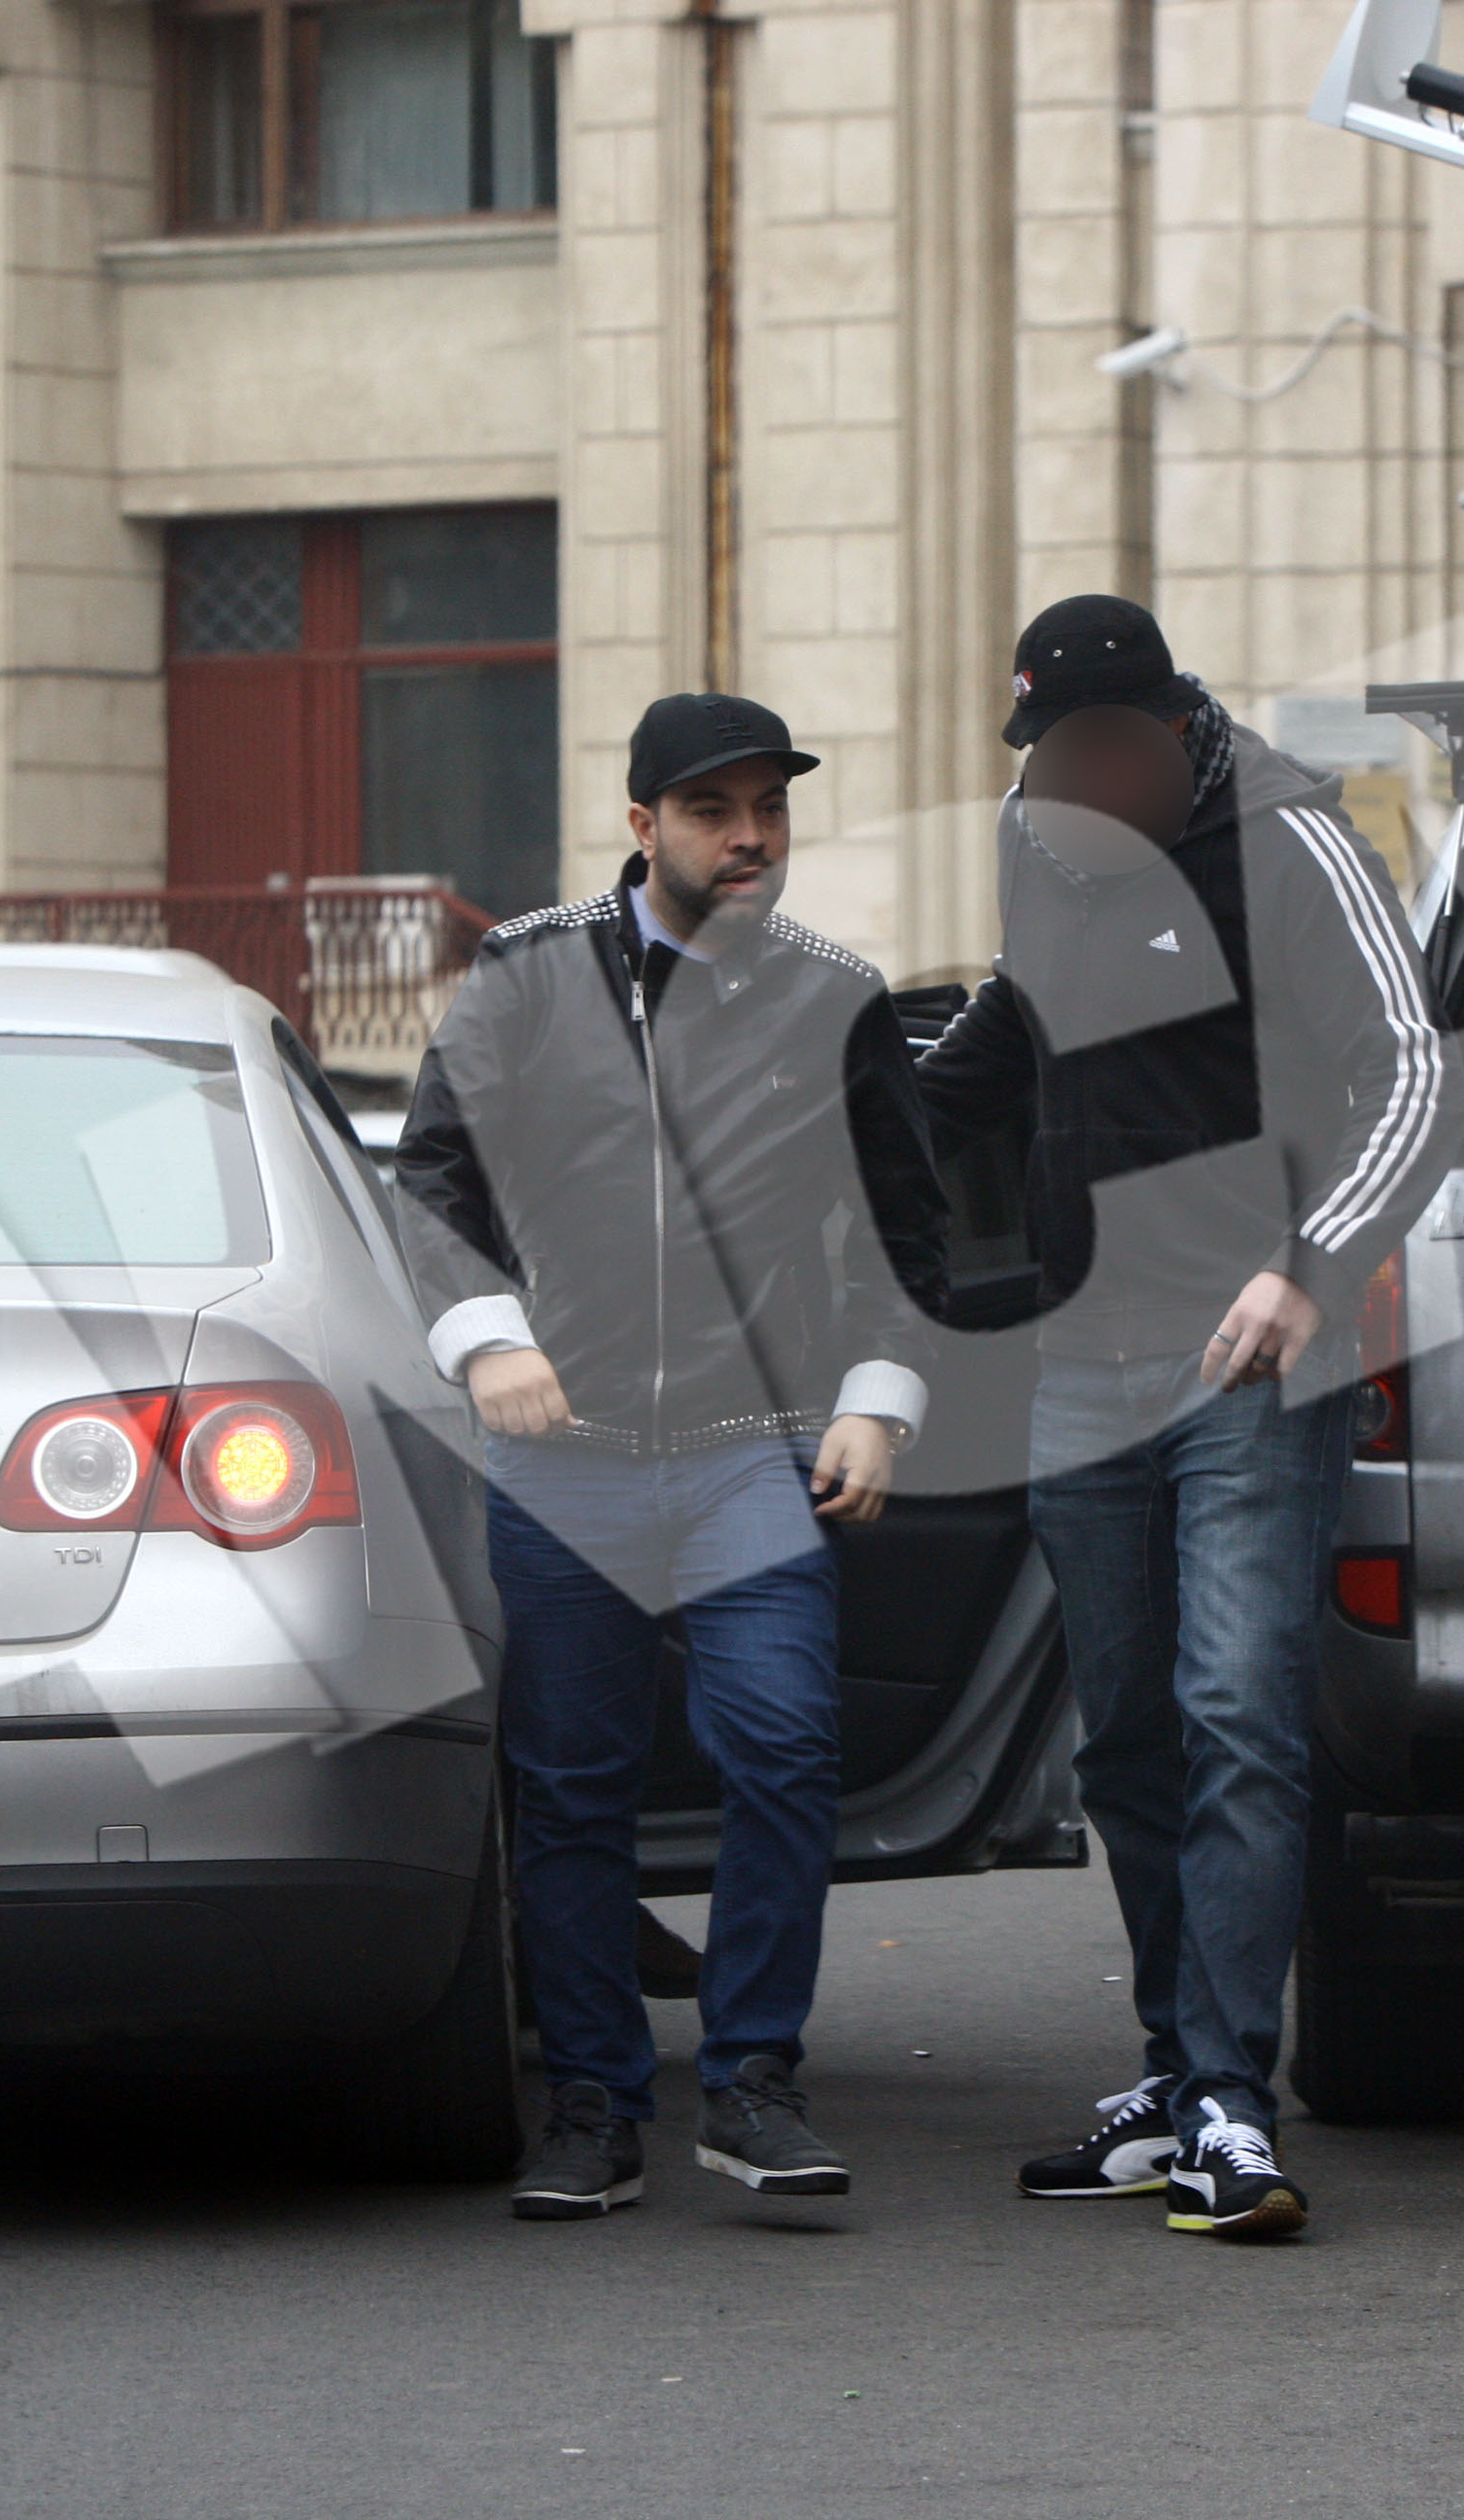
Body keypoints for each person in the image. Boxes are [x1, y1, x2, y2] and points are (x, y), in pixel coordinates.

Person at [916, 596, 1460, 2241]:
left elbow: (1412, 1078)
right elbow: (1032, 1013)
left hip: (1245, 1357)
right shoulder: (1040, 832)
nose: (1073, 782)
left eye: (1099, 752)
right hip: (1084, 1357)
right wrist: (890, 1107)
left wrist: (1308, 1270)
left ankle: (1233, 2099)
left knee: (1238, 1717)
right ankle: (1177, 2074)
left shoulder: (1291, 838)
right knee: (1129, 1738)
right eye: (1047, 757)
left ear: (1168, 728)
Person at [395, 691, 955, 2222]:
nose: (751, 835)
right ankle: (590, 2102)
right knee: (571, 1790)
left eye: (769, 806)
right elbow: (430, 1185)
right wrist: (488, 1340)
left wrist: (877, 1393)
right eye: (715, 810)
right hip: (560, 1454)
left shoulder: (836, 995)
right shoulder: (524, 978)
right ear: (644, 826)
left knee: (782, 1746)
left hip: (746, 1449)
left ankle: (754, 2085)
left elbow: (913, 1232)